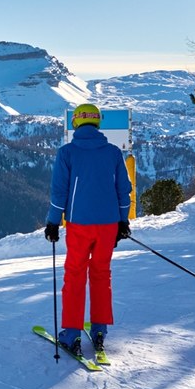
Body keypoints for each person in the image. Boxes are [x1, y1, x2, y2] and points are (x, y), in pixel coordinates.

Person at [44, 103, 133, 356]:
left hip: (79, 224)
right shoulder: (114, 152)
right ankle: (100, 329)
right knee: (101, 274)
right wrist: (123, 221)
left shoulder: (67, 152)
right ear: (97, 123)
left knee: (74, 274)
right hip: (108, 225)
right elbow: (123, 191)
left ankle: (71, 333)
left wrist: (53, 221)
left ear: (76, 124)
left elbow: (59, 191)